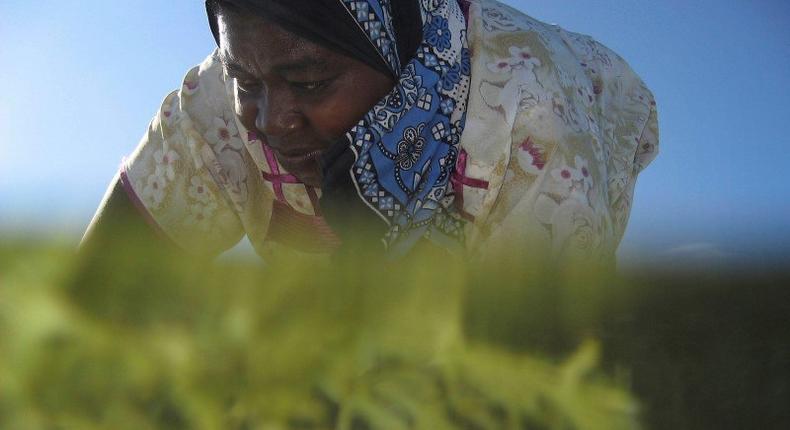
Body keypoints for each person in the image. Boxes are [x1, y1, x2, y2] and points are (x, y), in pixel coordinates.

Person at [81, 0, 658, 267]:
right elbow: (95, 295)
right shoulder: (220, 101)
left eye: (308, 82)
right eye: (245, 79)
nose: (271, 119)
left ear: (400, 59)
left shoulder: (538, 121)